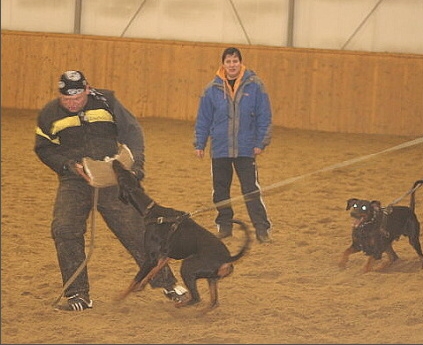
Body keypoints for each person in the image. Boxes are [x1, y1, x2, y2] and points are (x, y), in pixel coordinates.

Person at [34, 70, 187, 311]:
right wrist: (67, 166)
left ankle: (169, 284)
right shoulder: (49, 114)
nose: (72, 104)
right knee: (64, 229)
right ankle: (78, 295)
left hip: (112, 177)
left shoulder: (107, 102)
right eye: (66, 100)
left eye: (77, 98)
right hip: (75, 180)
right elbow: (44, 148)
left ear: (87, 90)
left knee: (136, 230)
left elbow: (133, 132)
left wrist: (136, 167)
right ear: (59, 95)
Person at [193, 47, 273, 243]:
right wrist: (200, 142)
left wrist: (261, 142)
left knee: (251, 190)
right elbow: (203, 118)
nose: (232, 65)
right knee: (220, 190)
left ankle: (261, 228)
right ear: (223, 64)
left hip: (246, 148)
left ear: (240, 63)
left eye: (235, 61)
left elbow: (265, 116)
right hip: (220, 148)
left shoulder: (255, 86)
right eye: (228, 62)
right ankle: (224, 226)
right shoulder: (211, 89)